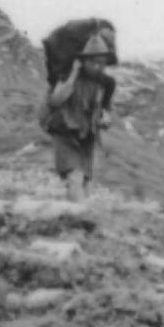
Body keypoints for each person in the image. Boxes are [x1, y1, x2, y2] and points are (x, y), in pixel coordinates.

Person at [41, 28, 117, 201]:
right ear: (83, 61)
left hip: (86, 137)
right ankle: (77, 217)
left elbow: (105, 113)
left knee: (86, 182)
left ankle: (80, 218)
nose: (99, 67)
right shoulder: (66, 76)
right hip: (65, 134)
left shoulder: (104, 84)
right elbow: (55, 100)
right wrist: (73, 75)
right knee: (74, 177)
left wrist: (105, 120)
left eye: (102, 63)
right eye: (95, 62)